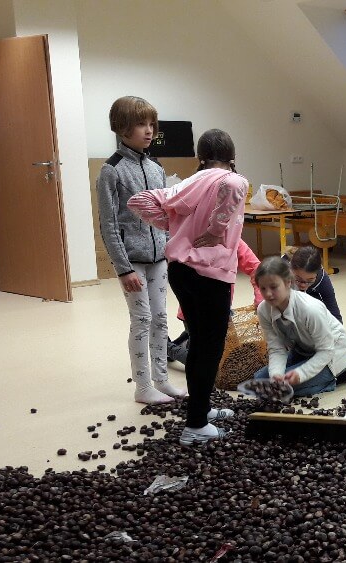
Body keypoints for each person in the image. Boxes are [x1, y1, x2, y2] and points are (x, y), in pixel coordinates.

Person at [127, 128, 248, 446]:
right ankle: (196, 426)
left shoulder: (189, 183)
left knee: (198, 344)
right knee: (210, 349)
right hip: (209, 276)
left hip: (181, 272)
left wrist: (174, 226)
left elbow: (139, 201)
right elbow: (236, 184)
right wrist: (216, 228)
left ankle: (201, 409)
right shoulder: (230, 178)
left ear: (200, 157)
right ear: (232, 157)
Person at [97, 96, 186, 405]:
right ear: (122, 128)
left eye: (151, 124)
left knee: (160, 318)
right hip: (131, 262)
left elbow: (166, 214)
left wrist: (171, 251)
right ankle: (143, 386)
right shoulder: (111, 170)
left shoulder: (156, 166)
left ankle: (162, 380)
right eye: (140, 124)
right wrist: (123, 269)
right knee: (142, 320)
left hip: (159, 258)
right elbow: (108, 224)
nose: (149, 131)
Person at [242, 256, 346, 395]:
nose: (268, 294)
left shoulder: (310, 309)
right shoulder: (263, 310)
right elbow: (276, 348)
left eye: (274, 287)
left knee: (285, 390)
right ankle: (310, 374)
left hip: (333, 353)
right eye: (263, 288)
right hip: (303, 349)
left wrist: (301, 374)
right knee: (261, 380)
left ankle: (334, 377)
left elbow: (326, 350)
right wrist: (276, 375)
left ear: (288, 282)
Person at [168, 238, 264, 364]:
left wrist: (260, 301)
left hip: (222, 310)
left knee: (232, 358)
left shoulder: (233, 239)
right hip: (194, 312)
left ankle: (187, 338)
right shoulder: (193, 238)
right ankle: (169, 348)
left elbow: (257, 269)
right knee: (205, 363)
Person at [286, 245, 343, 324]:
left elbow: (334, 314)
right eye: (298, 279)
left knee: (317, 310)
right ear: (291, 269)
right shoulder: (280, 274)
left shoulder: (322, 278)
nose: (303, 285)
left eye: (310, 280)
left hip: (310, 296)